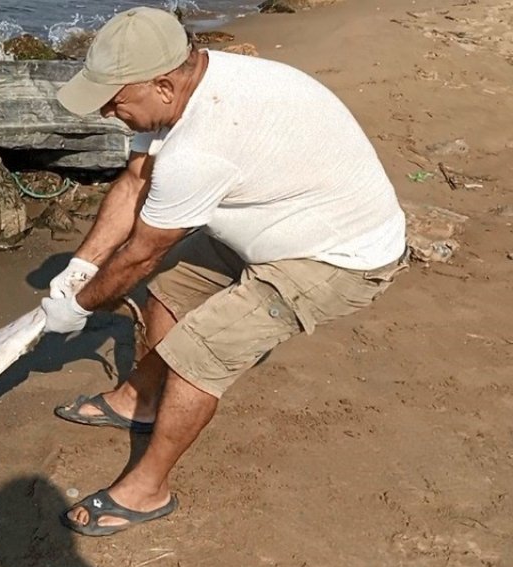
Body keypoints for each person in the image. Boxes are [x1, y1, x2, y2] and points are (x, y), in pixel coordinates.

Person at [39, 7, 407, 536]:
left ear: (163, 86)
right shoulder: (194, 86)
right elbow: (134, 183)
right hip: (275, 218)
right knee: (168, 293)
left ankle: (148, 490)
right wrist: (81, 267)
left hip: (339, 256)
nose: (104, 113)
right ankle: (140, 401)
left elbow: (143, 251)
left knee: (200, 352)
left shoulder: (199, 149)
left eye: (112, 101)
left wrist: (79, 306)